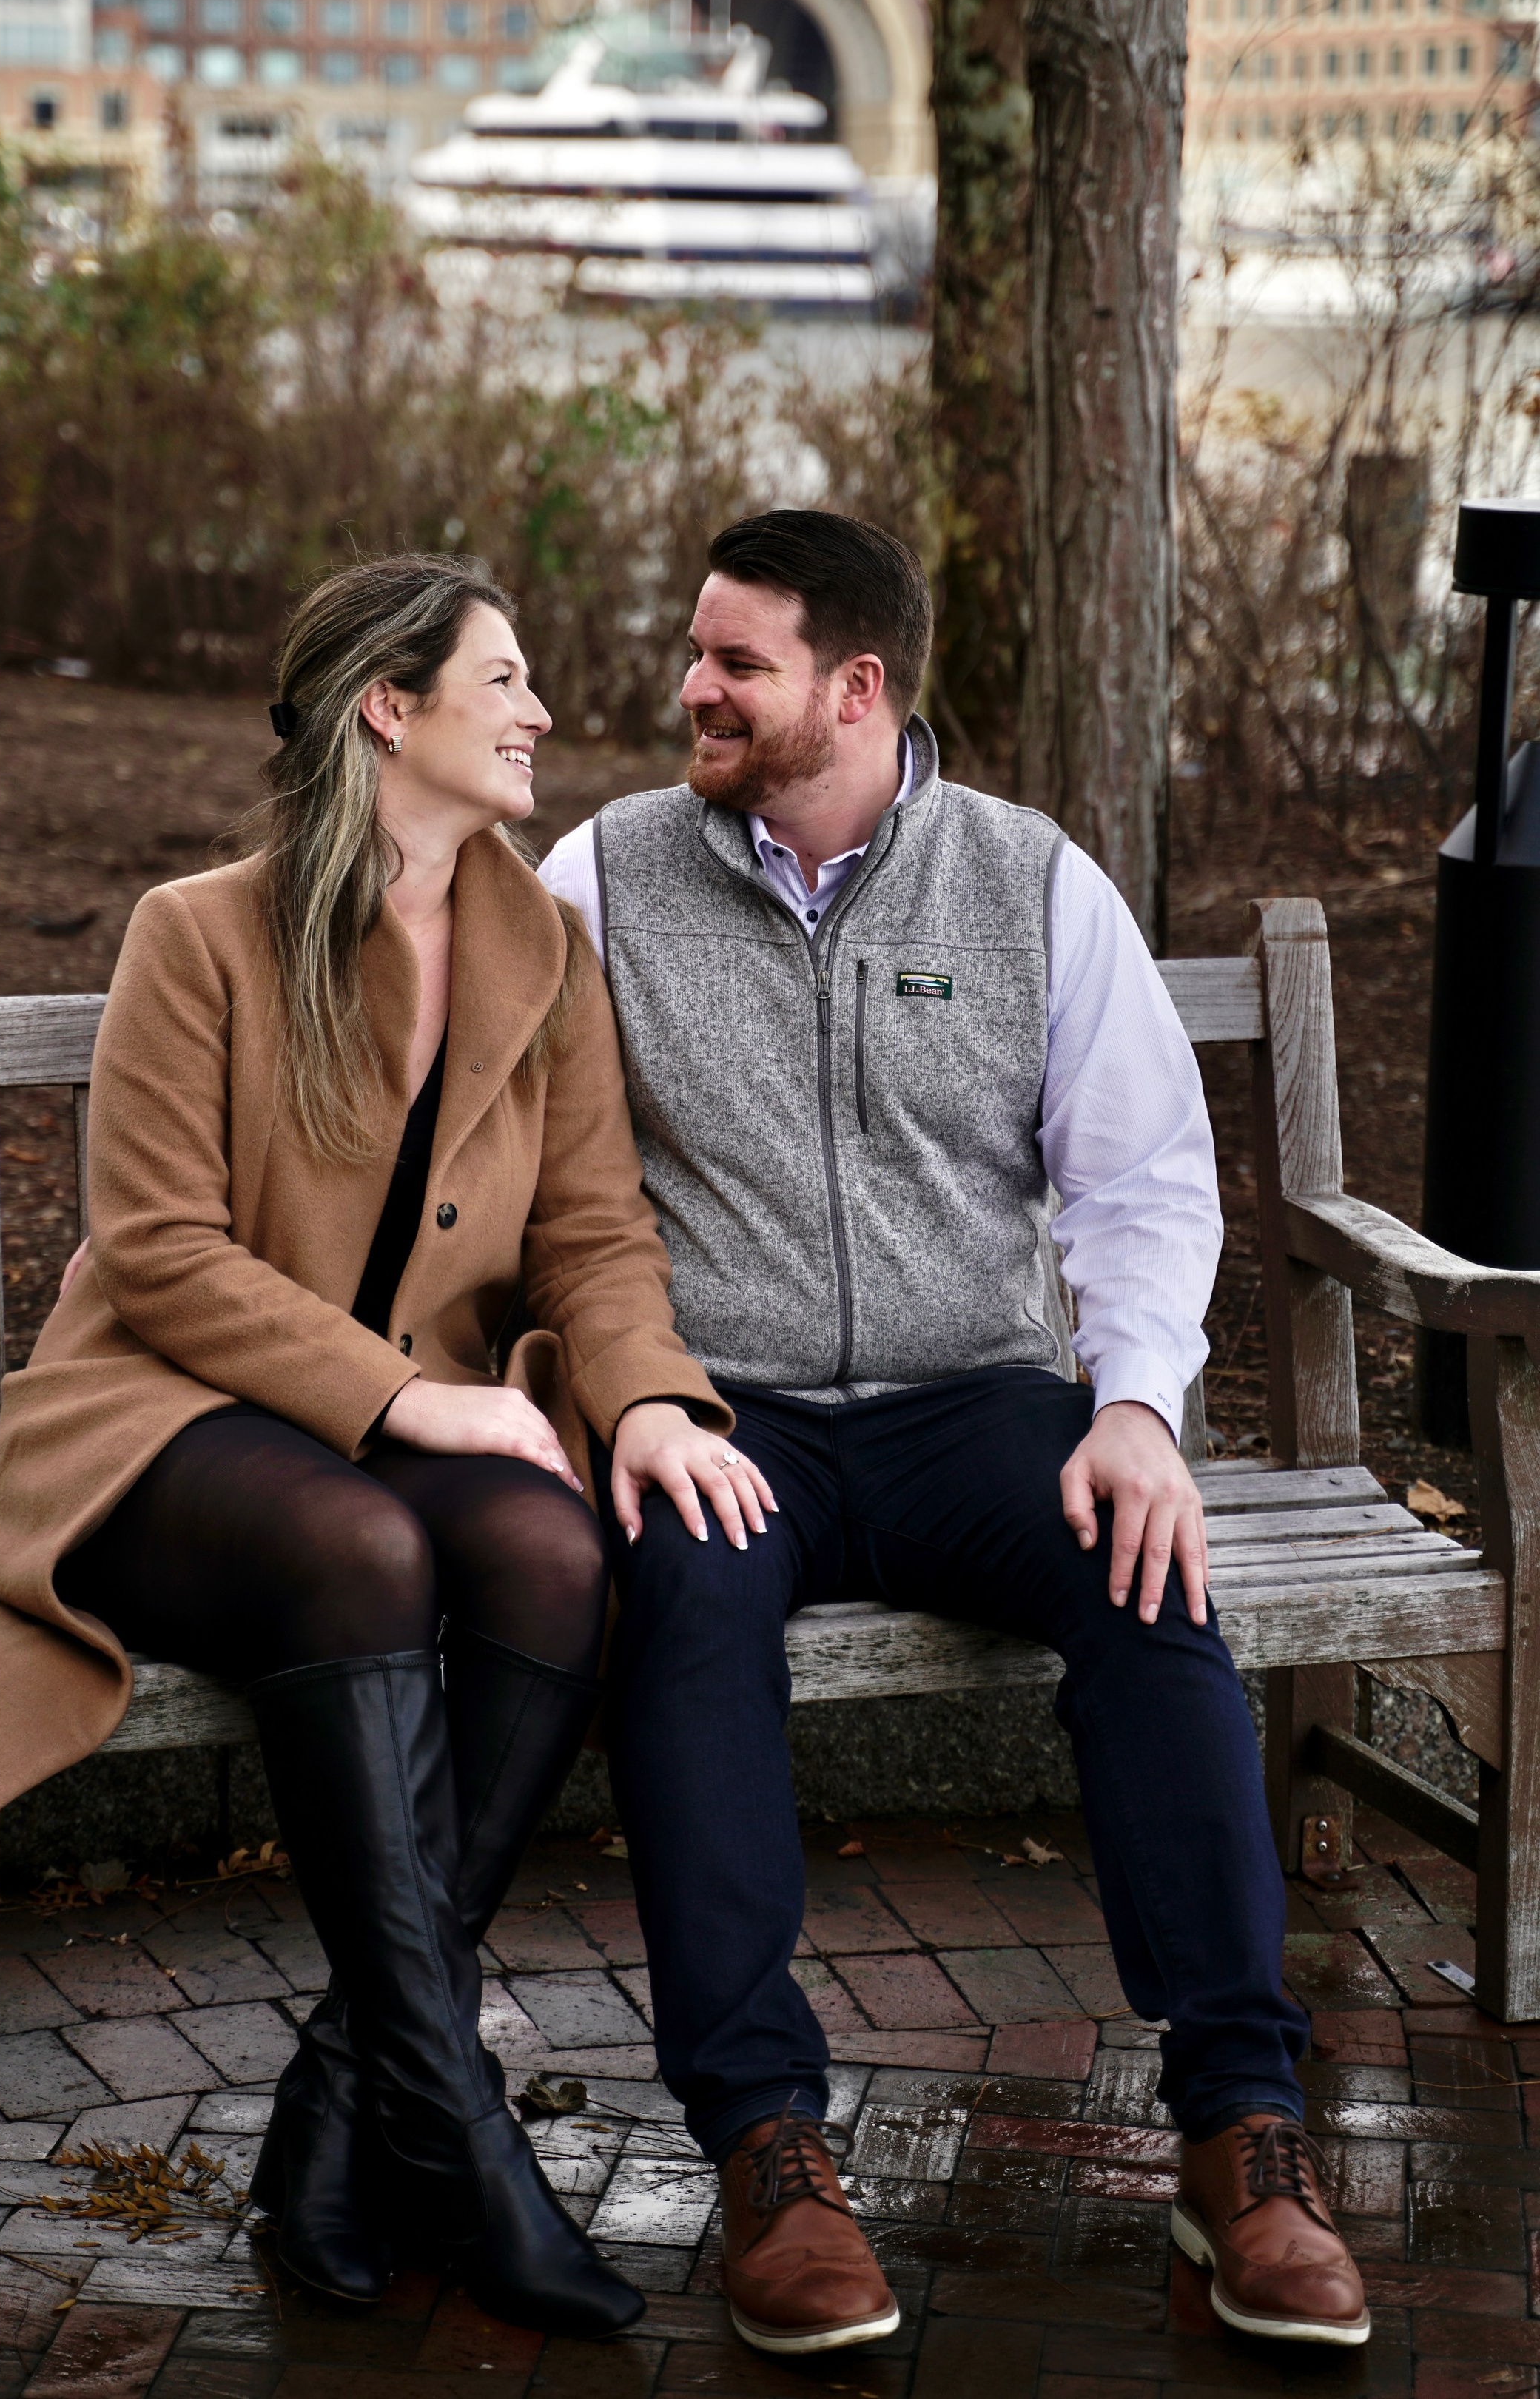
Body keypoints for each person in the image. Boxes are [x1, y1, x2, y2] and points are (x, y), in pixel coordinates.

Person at [539, 510, 1369, 2357]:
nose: (690, 685)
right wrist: (625, 1396)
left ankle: (1239, 2127)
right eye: (693, 649)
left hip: (975, 1402)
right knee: (682, 1610)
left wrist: (1136, 1409)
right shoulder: (603, 877)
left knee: (1145, 1574)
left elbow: (1143, 1182)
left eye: (732, 662)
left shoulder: (1028, 883)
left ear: (854, 686)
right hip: (722, 1412)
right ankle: (765, 2138)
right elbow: (532, 1174)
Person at [0, 554, 747, 2338]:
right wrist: (409, 1399)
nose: (538, 713)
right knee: (368, 1544)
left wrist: (654, 1393)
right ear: (391, 704)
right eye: (502, 679)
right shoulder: (196, 929)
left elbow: (595, 1236)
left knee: (546, 1546)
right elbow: (155, 1250)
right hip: (166, 1425)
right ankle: (459, 2131)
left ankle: (340, 2106)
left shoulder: (543, 945)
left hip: (382, 1430)